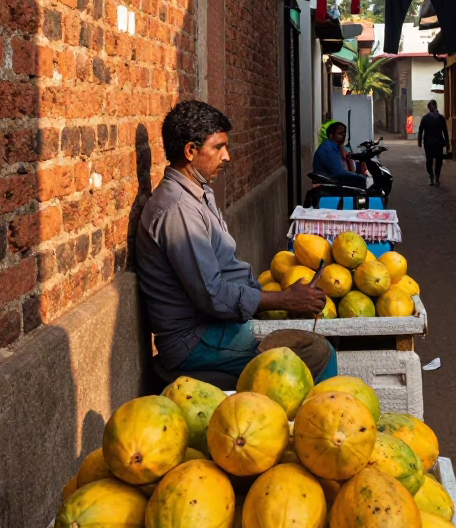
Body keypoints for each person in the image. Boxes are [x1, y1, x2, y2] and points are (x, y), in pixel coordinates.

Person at [135, 100, 336, 386]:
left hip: (218, 326)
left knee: (306, 337)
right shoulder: (178, 210)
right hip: (197, 339)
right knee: (317, 353)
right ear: (191, 151)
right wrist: (282, 298)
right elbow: (212, 295)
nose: (227, 156)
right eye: (218, 147)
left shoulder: (198, 193)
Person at [417, 99, 450, 186]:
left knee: (430, 161)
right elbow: (445, 132)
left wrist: (419, 142)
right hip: (438, 143)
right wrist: (447, 143)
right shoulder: (441, 118)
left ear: (428, 108)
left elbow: (420, 131)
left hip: (429, 143)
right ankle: (436, 178)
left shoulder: (425, 118)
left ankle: (432, 177)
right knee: (438, 161)